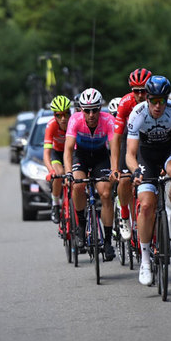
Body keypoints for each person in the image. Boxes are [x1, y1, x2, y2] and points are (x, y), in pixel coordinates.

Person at [126, 75, 171, 286]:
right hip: (146, 157)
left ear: (167, 99)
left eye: (161, 101)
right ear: (147, 98)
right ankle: (145, 261)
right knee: (146, 206)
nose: (157, 105)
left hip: (168, 152)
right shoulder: (137, 114)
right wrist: (135, 171)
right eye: (153, 100)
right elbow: (130, 153)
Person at [64, 88, 116, 261]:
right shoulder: (75, 120)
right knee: (77, 185)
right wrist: (68, 172)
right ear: (81, 110)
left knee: (106, 193)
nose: (91, 114)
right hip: (82, 156)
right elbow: (68, 149)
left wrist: (115, 169)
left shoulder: (108, 120)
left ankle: (108, 241)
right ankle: (80, 224)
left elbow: (114, 149)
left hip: (101, 157)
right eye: (87, 110)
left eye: (95, 109)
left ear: (100, 108)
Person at [109, 68, 152, 241]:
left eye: (144, 91)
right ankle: (125, 214)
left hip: (149, 139)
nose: (140, 95)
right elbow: (116, 138)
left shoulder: (157, 101)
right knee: (125, 179)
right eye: (136, 91)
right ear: (131, 90)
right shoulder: (126, 103)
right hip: (130, 137)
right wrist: (114, 168)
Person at [44, 95, 72, 223]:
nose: (63, 119)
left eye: (66, 114)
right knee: (59, 174)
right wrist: (51, 171)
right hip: (57, 153)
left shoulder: (74, 123)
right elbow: (46, 153)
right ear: (54, 115)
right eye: (59, 115)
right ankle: (55, 204)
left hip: (71, 152)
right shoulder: (51, 126)